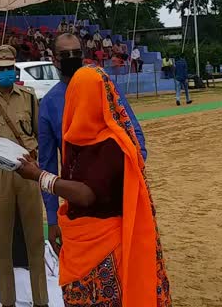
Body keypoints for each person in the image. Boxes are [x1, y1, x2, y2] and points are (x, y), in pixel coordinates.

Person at [19, 66, 170, 306]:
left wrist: (39, 176)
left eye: (77, 96)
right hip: (78, 245)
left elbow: (87, 195)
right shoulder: (77, 140)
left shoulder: (112, 144)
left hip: (106, 252)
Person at [38, 33, 146, 258]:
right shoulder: (49, 103)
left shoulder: (105, 88)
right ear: (54, 60)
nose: (71, 58)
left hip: (118, 202)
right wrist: (51, 217)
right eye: (65, 55)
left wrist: (121, 175)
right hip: (78, 204)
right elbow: (47, 162)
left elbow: (135, 137)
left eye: (76, 54)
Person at [0, 45, 48, 307]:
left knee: (35, 241)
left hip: (28, 170)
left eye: (10, 69)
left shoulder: (29, 97)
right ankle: (6, 301)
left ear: (14, 68)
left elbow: (40, 133)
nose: (6, 73)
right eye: (1, 70)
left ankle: (41, 301)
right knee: (2, 244)